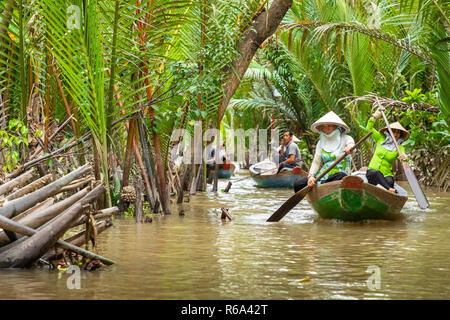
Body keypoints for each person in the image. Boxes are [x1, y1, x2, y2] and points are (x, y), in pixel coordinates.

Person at [293, 111, 355, 192]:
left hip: (340, 174)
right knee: (298, 184)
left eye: (329, 126)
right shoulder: (320, 143)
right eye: (324, 127)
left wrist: (350, 148)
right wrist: (311, 176)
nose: (327, 129)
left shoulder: (346, 138)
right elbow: (316, 161)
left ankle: (321, 185)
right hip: (323, 175)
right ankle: (320, 184)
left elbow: (352, 145)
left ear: (336, 126)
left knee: (340, 176)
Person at [365, 107, 410, 193]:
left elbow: (403, 156)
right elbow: (369, 129)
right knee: (375, 173)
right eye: (393, 131)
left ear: (400, 135)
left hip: (387, 174)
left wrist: (404, 157)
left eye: (398, 132)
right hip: (372, 171)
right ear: (389, 132)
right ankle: (389, 190)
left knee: (389, 181)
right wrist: (375, 117)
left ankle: (382, 187)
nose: (395, 134)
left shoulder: (399, 147)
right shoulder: (380, 138)